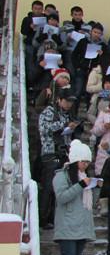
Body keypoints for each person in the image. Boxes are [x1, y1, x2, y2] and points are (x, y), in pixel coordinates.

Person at [49, 140, 96, 255]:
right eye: (83, 162)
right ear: (75, 160)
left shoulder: (83, 177)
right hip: (67, 224)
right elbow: (62, 197)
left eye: (88, 162)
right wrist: (80, 185)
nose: (85, 165)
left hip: (81, 225)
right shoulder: (61, 176)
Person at [38, 88, 78, 229]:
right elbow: (44, 129)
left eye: (71, 102)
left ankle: (55, 218)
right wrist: (64, 125)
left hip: (63, 153)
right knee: (49, 187)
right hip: (50, 153)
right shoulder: (49, 112)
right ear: (59, 100)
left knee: (61, 188)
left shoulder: (67, 114)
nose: (69, 104)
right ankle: (43, 219)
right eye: (67, 101)